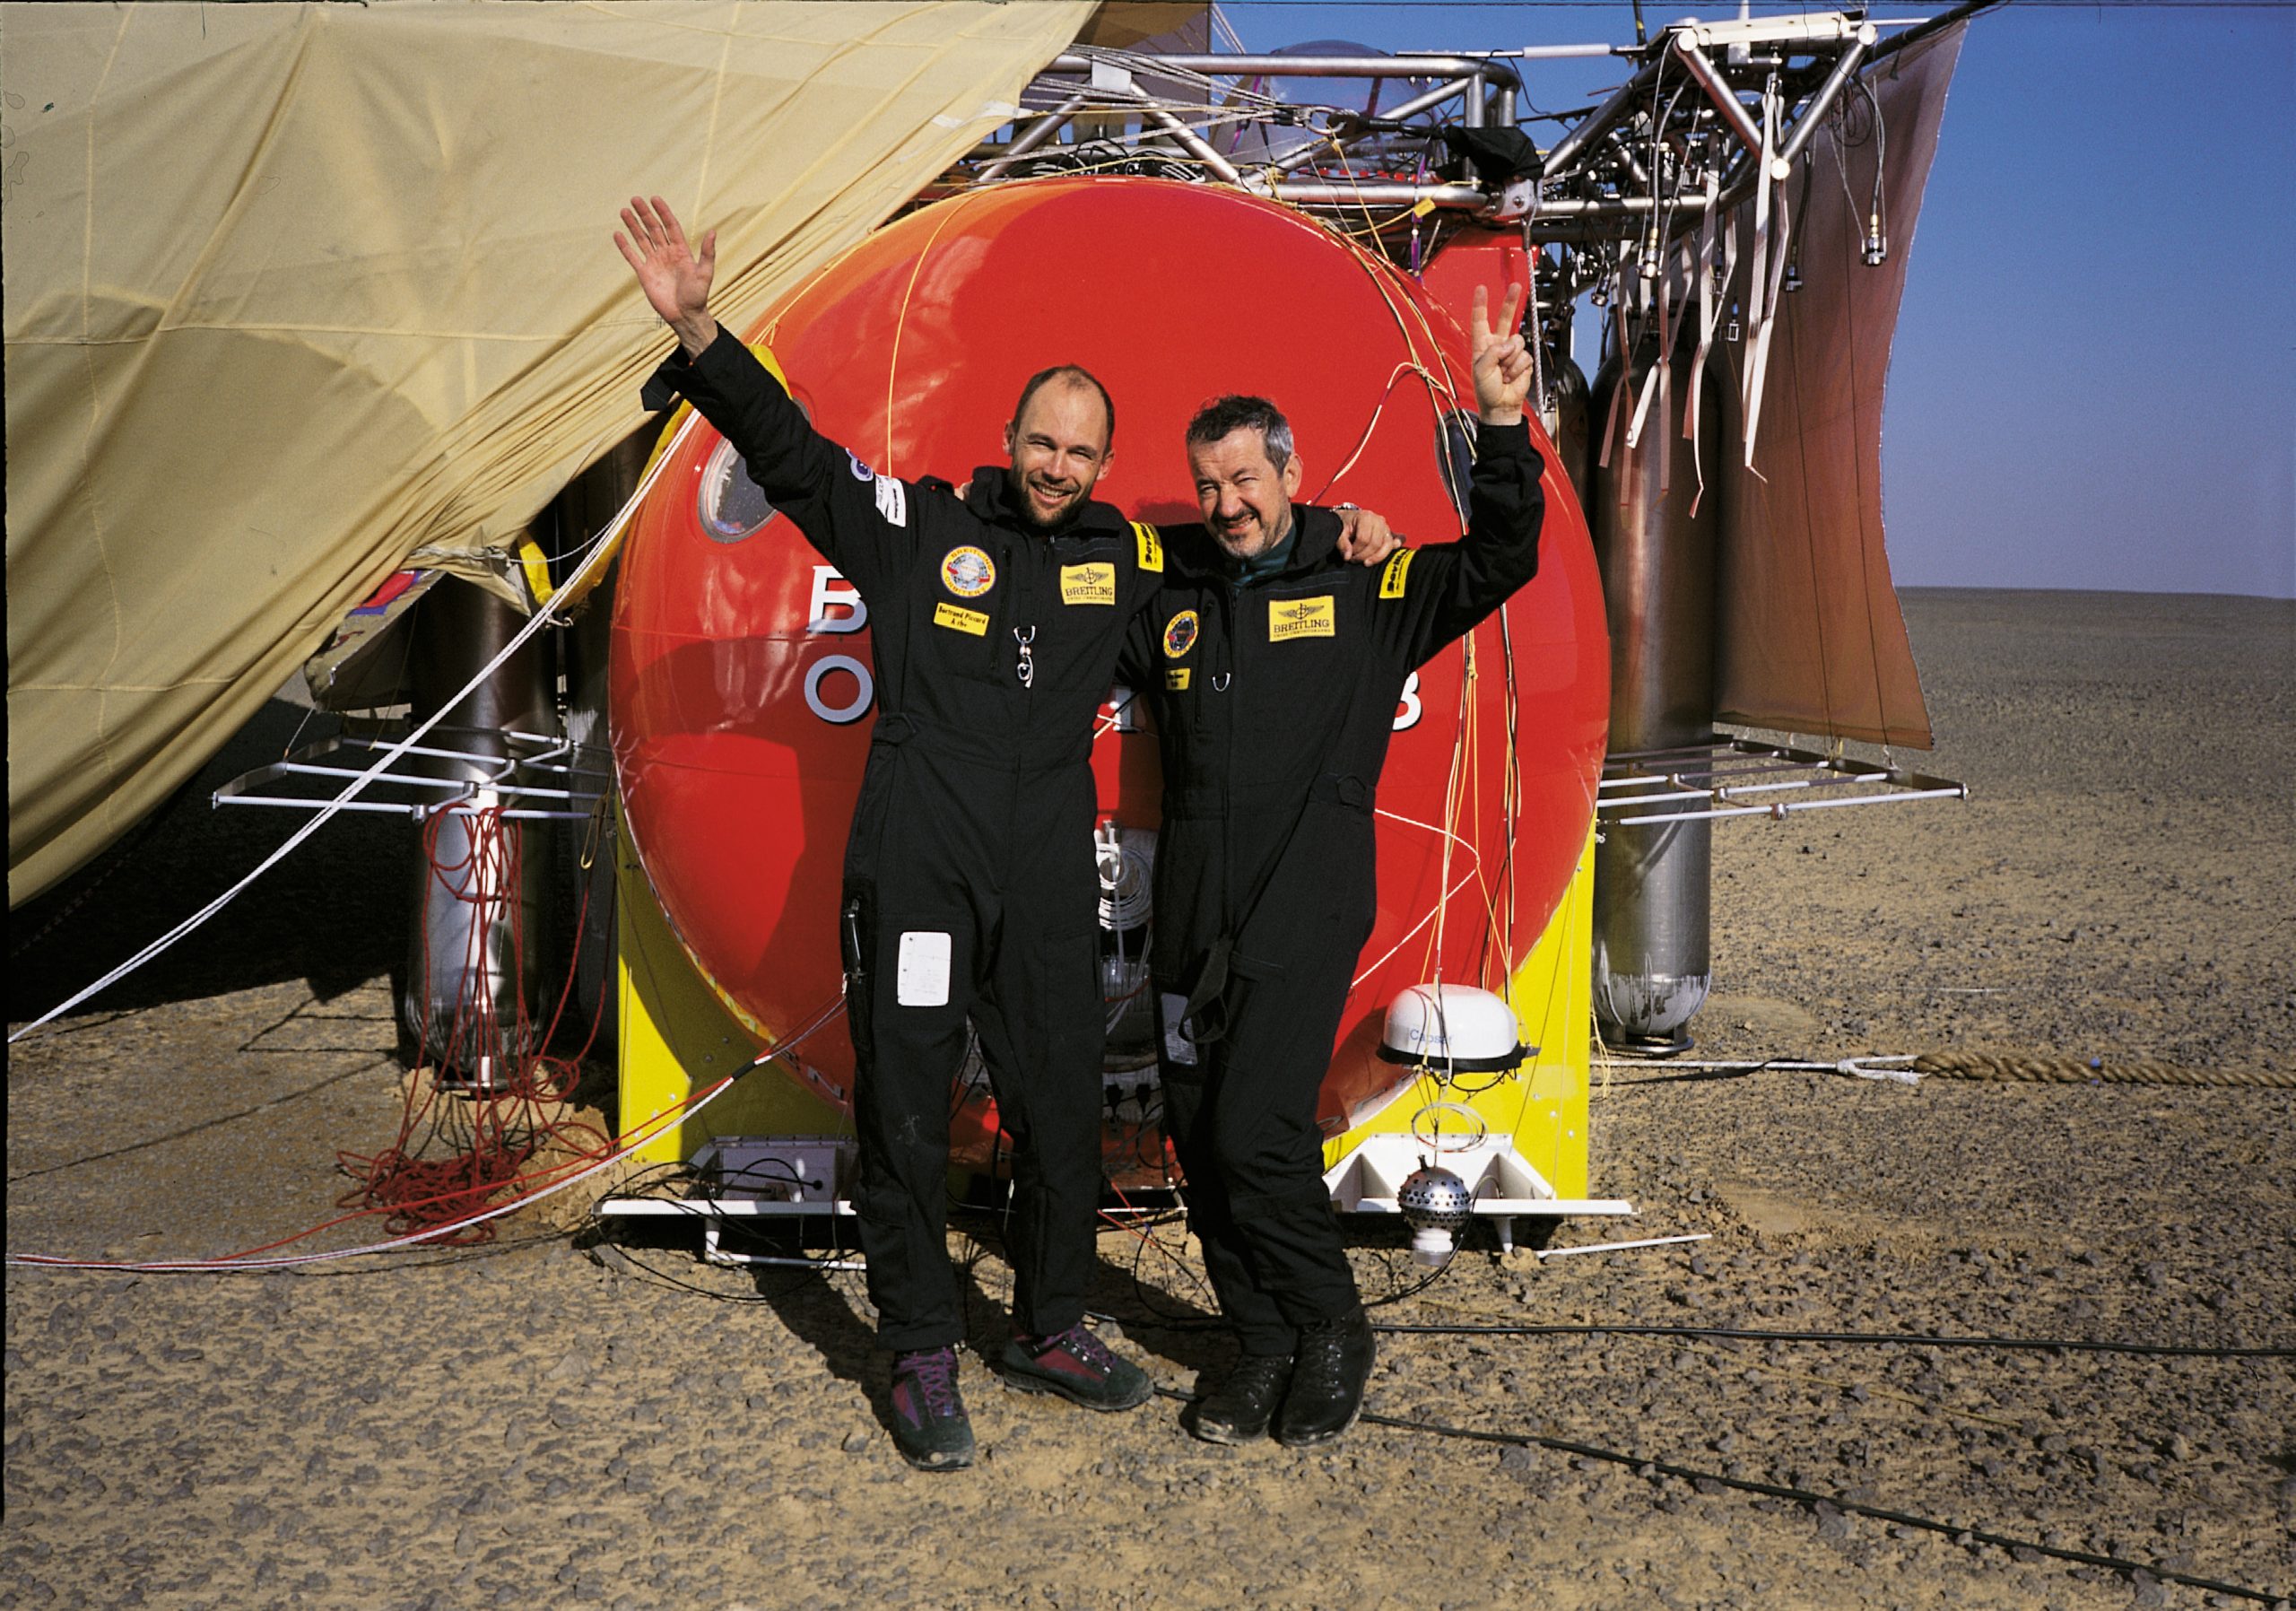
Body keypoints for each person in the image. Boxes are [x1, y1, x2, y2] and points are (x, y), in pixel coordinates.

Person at [613, 196, 1397, 1471]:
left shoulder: (1125, 557)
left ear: (1102, 462)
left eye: (1081, 453)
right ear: (1010, 439)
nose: (1058, 468)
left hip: (1041, 874)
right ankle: (920, 1348)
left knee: (1063, 1111)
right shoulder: (924, 530)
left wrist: (1349, 528)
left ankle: (1049, 1324)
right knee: (909, 1115)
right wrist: (701, 332)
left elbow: (1246, 551)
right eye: (1043, 444)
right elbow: (797, 459)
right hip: (921, 866)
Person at [1118, 283, 1544, 1448]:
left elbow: (1503, 557)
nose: (1227, 503)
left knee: (1255, 1134)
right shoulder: (1174, 600)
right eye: (1208, 485)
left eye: (1246, 479)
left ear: (1291, 474)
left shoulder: (1368, 583)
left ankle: (1332, 1327)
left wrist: (1501, 425)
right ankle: (1260, 1343)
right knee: (1200, 1140)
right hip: (1191, 912)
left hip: (1301, 907)